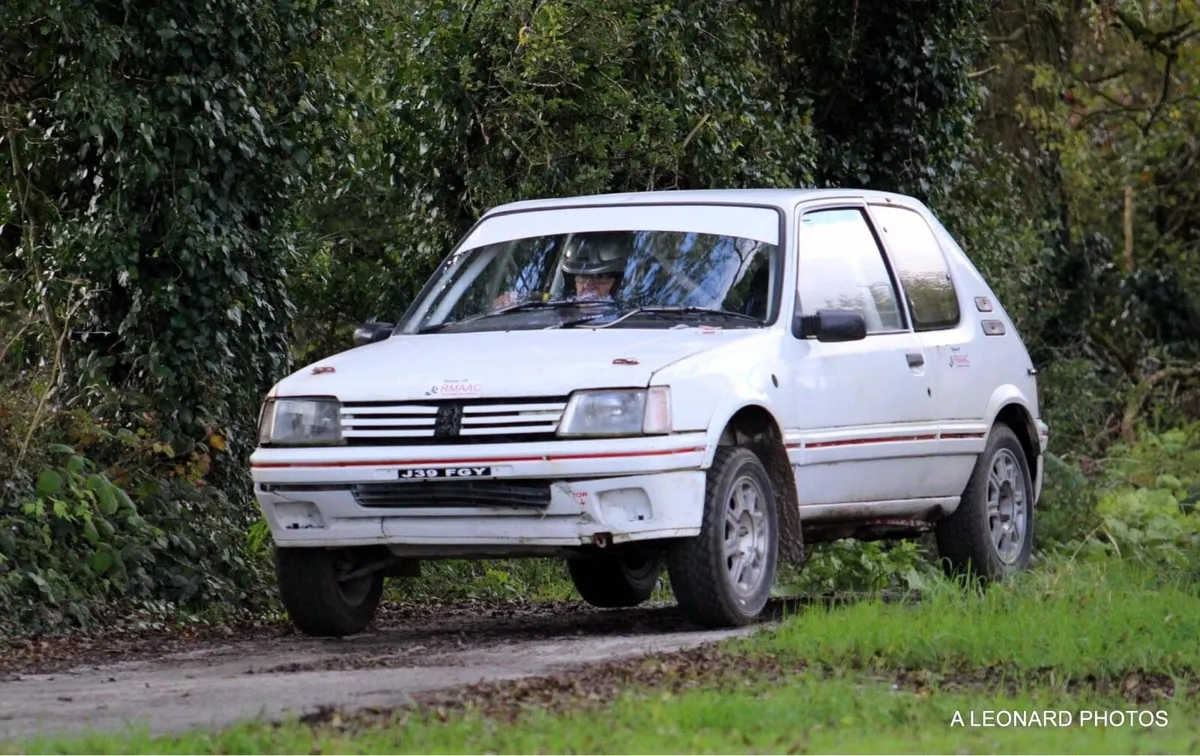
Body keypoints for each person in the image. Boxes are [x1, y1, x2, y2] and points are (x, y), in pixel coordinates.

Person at [491, 232, 630, 310]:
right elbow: (536, 298)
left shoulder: (631, 314)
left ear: (617, 282)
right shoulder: (559, 307)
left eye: (599, 277)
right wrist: (509, 301)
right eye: (581, 276)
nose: (588, 286)